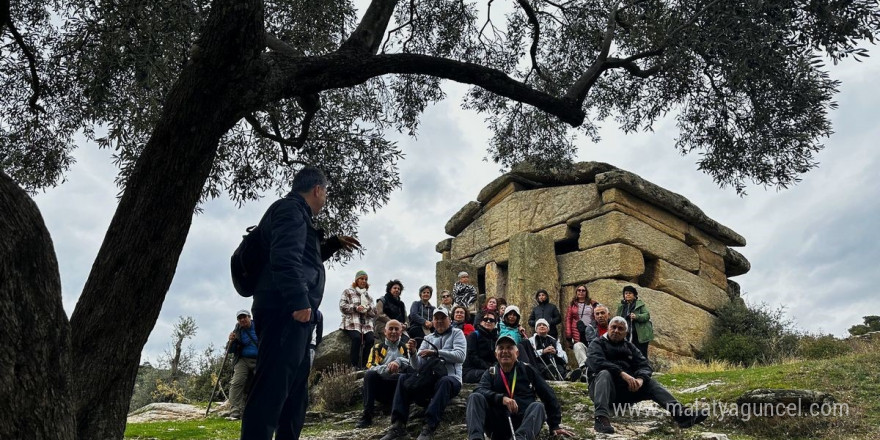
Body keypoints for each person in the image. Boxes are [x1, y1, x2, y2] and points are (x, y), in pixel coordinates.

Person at [240, 166, 361, 440]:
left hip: (293, 317)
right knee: (270, 391)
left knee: (295, 395)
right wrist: (299, 302)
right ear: (317, 189)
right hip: (285, 313)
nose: (326, 197)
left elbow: (304, 259)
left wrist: (331, 244)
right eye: (326, 191)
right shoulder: (290, 211)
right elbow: (285, 257)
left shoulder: (296, 215)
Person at [588, 317, 707, 434]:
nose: (616, 331)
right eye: (613, 327)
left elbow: (645, 365)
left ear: (626, 333)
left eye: (620, 328)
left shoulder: (630, 347)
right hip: (604, 391)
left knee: (649, 382)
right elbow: (597, 363)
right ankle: (601, 418)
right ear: (608, 328)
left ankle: (681, 415)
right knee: (604, 373)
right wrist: (622, 373)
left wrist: (640, 379)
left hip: (625, 392)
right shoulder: (597, 343)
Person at [380, 307, 466, 440]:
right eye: (436, 318)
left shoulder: (457, 333)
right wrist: (413, 352)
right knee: (403, 378)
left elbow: (460, 356)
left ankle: (429, 427)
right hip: (429, 381)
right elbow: (417, 365)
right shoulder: (428, 338)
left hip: (451, 380)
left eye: (442, 318)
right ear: (432, 321)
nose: (439, 321)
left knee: (445, 381)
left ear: (449, 319)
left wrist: (436, 353)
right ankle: (398, 426)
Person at [466, 335, 574, 440]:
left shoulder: (528, 370)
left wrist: (555, 425)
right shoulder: (491, 372)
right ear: (496, 354)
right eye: (501, 348)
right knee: (475, 397)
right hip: (497, 424)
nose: (505, 352)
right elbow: (479, 390)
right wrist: (501, 398)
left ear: (517, 353)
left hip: (523, 424)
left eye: (509, 348)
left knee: (538, 406)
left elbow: (548, 394)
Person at [356, 319, 411, 428]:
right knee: (369, 375)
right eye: (391, 329)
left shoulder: (406, 347)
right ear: (385, 332)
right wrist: (388, 369)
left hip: (399, 387)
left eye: (396, 329)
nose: (394, 331)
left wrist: (398, 361)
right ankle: (367, 416)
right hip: (383, 386)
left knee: (407, 376)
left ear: (401, 332)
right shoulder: (376, 348)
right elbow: (370, 366)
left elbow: (412, 363)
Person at [339, 270, 377, 368]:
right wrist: (355, 307)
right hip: (352, 322)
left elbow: (374, 312)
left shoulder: (369, 297)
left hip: (366, 324)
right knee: (356, 338)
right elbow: (342, 306)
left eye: (366, 279)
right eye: (361, 278)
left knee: (370, 340)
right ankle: (354, 365)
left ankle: (365, 365)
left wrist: (367, 308)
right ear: (356, 280)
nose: (364, 281)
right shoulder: (348, 292)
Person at [225, 309, 258, 420]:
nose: (242, 320)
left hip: (260, 359)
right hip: (243, 359)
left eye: (244, 317)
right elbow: (230, 350)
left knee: (262, 383)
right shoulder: (237, 330)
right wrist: (231, 341)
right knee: (236, 383)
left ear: (249, 317)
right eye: (240, 318)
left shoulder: (259, 326)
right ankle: (234, 412)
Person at [570, 304, 611, 380]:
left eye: (602, 313)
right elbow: (594, 344)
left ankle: (588, 373)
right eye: (597, 314)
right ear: (594, 316)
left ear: (608, 315)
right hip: (595, 354)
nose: (600, 316)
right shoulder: (590, 327)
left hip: (611, 354)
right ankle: (585, 369)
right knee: (578, 345)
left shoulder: (614, 326)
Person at [616, 285, 653, 358]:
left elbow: (646, 316)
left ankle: (644, 368)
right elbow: (618, 317)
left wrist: (637, 316)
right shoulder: (622, 306)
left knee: (641, 354)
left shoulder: (639, 304)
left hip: (639, 334)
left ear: (634, 295)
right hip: (626, 334)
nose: (628, 295)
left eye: (630, 293)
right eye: (626, 293)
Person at [463, 310, 498, 383]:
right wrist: (489, 367)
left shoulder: (495, 339)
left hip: (488, 369)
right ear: (481, 322)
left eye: (491, 320)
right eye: (485, 319)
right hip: (471, 370)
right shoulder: (474, 335)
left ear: (495, 323)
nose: (488, 321)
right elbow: (472, 356)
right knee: (492, 374)